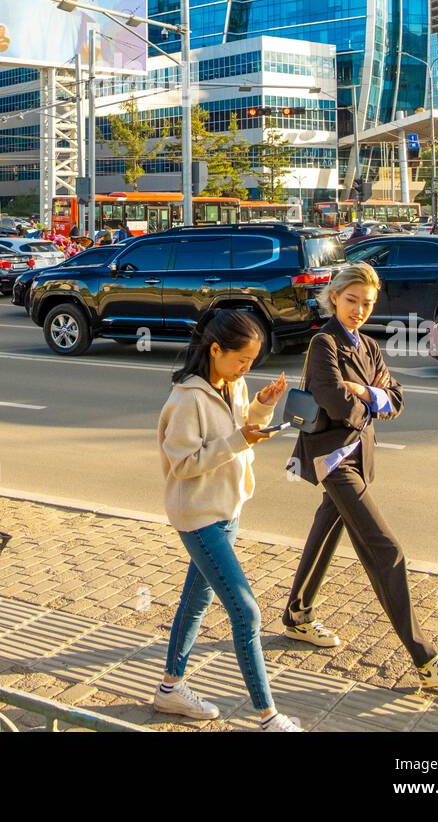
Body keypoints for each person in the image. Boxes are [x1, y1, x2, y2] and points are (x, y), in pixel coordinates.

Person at [281, 262, 438, 690]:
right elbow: (332, 399)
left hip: (360, 457)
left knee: (326, 532)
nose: (359, 310)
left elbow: (396, 399)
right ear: (334, 297)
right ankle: (425, 659)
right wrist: (370, 402)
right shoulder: (324, 343)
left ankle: (297, 615)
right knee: (385, 550)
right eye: (351, 301)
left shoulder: (368, 345)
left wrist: (364, 391)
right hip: (333, 458)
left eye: (367, 303)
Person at [156, 310, 299, 732]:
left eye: (252, 361)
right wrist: (240, 439)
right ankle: (267, 716)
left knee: (196, 601)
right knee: (246, 613)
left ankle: (169, 689)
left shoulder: (232, 385)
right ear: (215, 349)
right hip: (198, 515)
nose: (246, 369)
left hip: (229, 508)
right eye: (242, 360)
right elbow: (184, 464)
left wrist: (263, 406)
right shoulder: (187, 399)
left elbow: (240, 432)